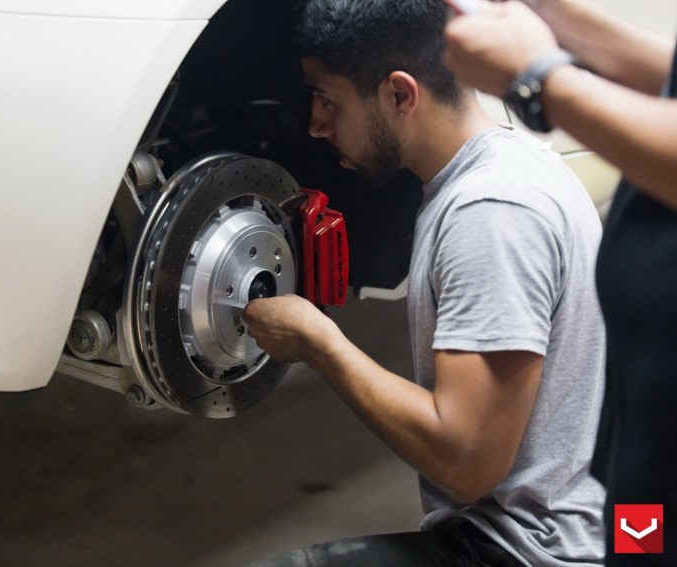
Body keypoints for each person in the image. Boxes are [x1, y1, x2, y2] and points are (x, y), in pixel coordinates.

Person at [242, 0, 607, 565]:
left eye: (327, 100)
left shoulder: (490, 214)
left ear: (399, 95)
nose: (315, 124)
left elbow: (466, 463)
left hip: (537, 552)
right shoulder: (506, 165)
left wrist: (319, 342)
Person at [444, 1, 677, 564]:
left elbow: (467, 459)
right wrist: (545, 11)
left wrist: (541, 80)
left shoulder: (492, 204)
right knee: (639, 539)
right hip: (647, 449)